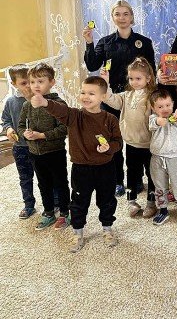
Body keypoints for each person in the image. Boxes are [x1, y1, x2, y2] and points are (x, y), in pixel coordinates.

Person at [31, 76, 122, 252]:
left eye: (91, 93)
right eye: (83, 92)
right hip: (81, 169)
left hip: (106, 168)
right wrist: (45, 103)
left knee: (107, 200)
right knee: (79, 202)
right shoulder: (74, 116)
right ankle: (78, 232)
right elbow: (60, 110)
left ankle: (107, 228)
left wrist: (109, 147)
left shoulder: (110, 119)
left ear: (103, 97)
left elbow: (118, 142)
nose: (85, 97)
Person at [83, 0, 156, 198]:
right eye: (117, 14)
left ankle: (137, 178)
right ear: (112, 18)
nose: (122, 18)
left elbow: (151, 72)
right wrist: (89, 42)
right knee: (113, 141)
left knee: (136, 141)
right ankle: (117, 180)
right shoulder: (105, 42)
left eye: (126, 14)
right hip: (111, 98)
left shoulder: (144, 42)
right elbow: (92, 65)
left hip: (137, 100)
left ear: (132, 17)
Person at [101, 57, 157, 218]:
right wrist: (106, 83)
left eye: (138, 78)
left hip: (149, 144)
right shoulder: (126, 95)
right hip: (131, 143)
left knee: (152, 174)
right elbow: (110, 99)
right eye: (131, 78)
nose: (134, 82)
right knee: (132, 172)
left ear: (148, 78)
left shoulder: (152, 96)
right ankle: (131, 202)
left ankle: (151, 203)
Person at [17, 63, 70, 231]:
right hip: (35, 153)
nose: (36, 85)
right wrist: (25, 134)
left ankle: (65, 212)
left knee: (60, 182)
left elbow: (64, 129)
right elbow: (20, 126)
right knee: (43, 183)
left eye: (40, 81)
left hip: (55, 151)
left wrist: (41, 135)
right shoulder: (27, 105)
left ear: (52, 82)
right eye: (32, 82)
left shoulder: (58, 103)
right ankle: (48, 212)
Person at [148, 89, 177, 225]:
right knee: (159, 186)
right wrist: (159, 121)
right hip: (157, 158)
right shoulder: (153, 118)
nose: (165, 109)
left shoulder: (176, 119)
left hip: (174, 158)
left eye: (168, 105)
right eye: (160, 107)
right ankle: (163, 209)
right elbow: (154, 124)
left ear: (172, 104)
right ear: (153, 108)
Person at [1, 65, 36, 219]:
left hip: (38, 146)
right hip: (20, 147)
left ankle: (55, 202)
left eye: (30, 81)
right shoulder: (10, 101)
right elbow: (6, 119)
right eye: (23, 83)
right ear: (14, 84)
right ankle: (29, 205)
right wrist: (9, 129)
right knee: (25, 178)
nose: (28, 86)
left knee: (46, 176)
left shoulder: (38, 98)